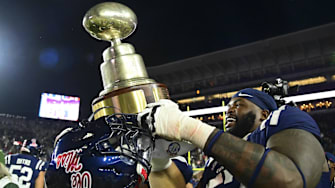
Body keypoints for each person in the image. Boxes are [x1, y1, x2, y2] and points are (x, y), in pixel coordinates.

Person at [138, 88, 330, 187]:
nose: (229, 110)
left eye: (238, 104)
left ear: (264, 114)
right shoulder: (216, 160)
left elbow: (290, 181)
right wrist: (160, 161)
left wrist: (189, 128)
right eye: (228, 106)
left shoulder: (282, 117)